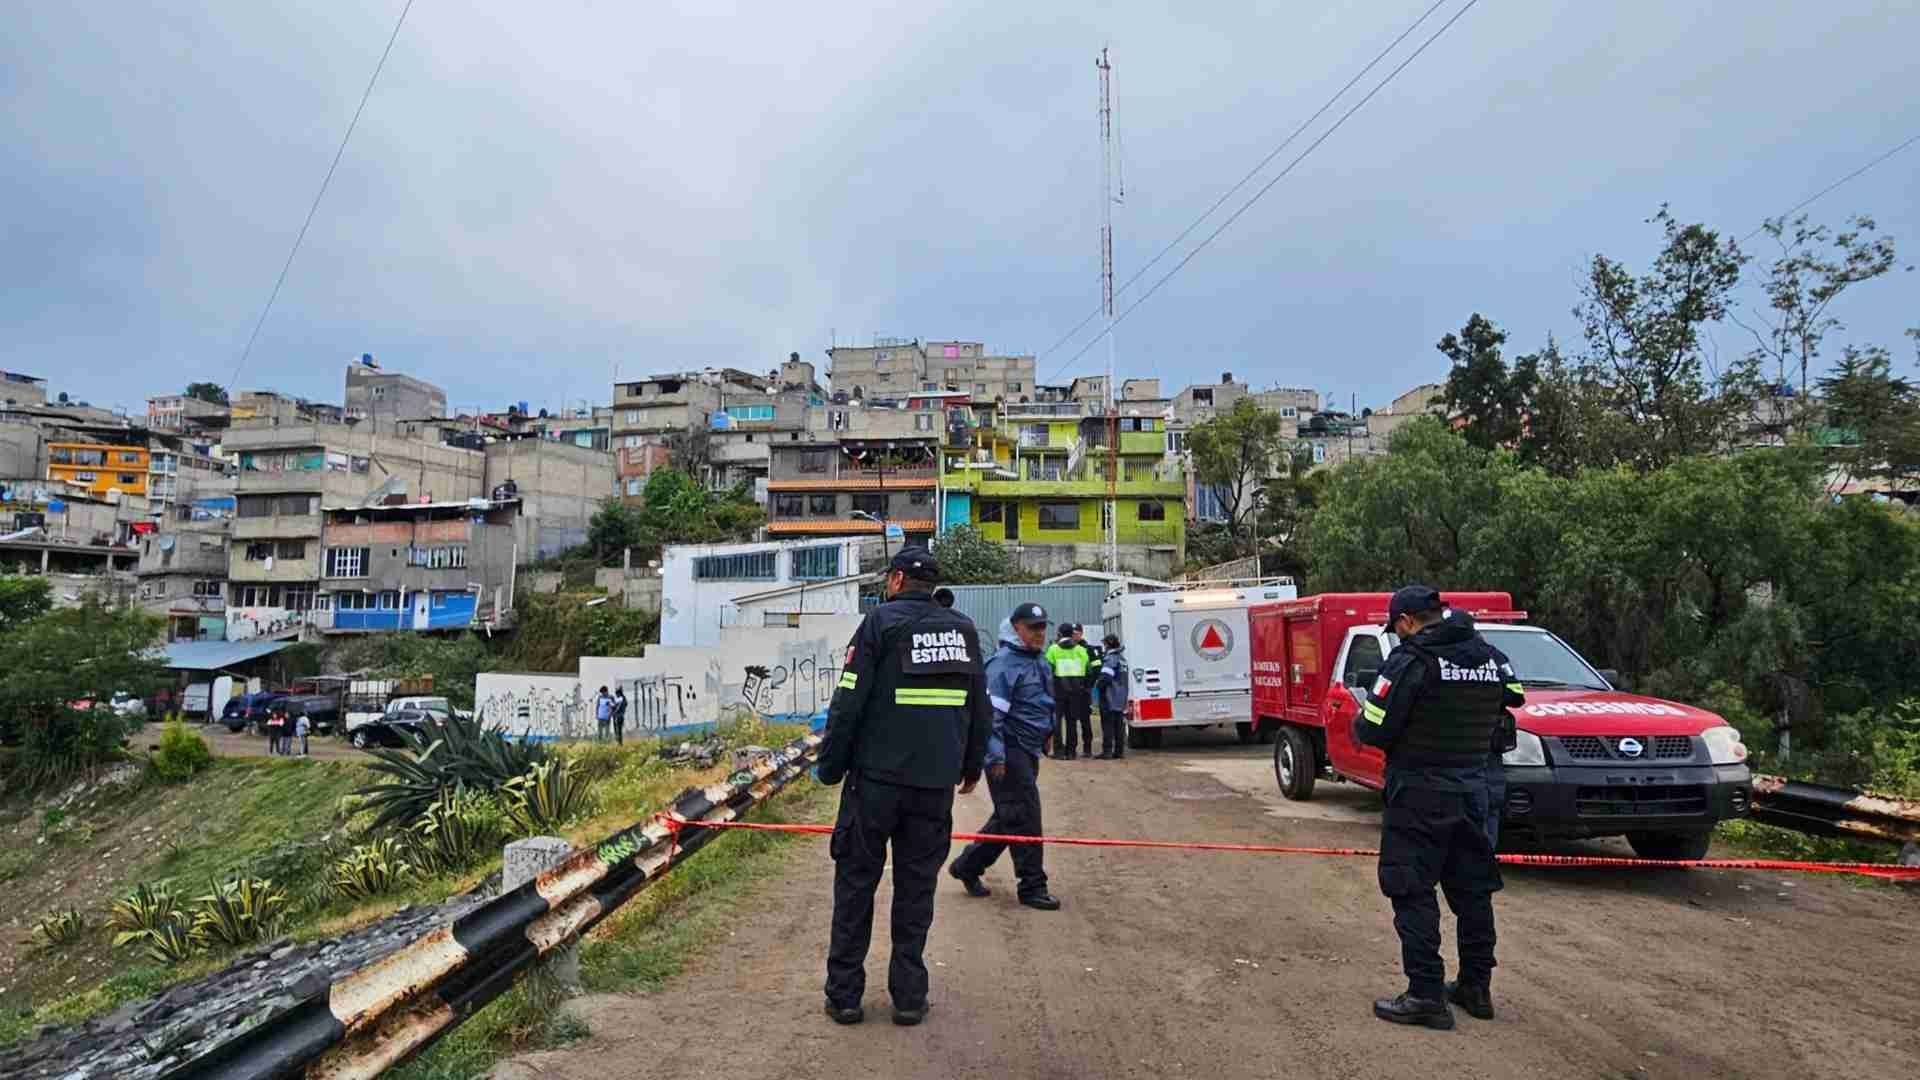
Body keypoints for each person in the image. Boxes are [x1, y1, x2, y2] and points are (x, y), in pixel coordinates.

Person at [817, 548, 991, 1028]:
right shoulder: (963, 630)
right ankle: (909, 998)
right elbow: (979, 705)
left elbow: (848, 700)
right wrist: (971, 765)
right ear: (932, 584)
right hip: (933, 788)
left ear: (896, 579)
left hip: (875, 785)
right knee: (916, 891)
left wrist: (830, 767)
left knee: (856, 887)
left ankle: (846, 996)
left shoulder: (879, 624)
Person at [1355, 586, 1525, 1030]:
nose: (1397, 634)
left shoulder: (1410, 661)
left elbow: (1372, 728)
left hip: (1420, 793)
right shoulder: (1488, 655)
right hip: (1475, 789)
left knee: (1411, 889)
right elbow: (1515, 695)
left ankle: (1426, 995)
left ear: (1408, 620)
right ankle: (1476, 987)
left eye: (1397, 627)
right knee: (1472, 891)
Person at [948, 602, 1062, 910]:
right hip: (1008, 754)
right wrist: (995, 757)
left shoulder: (1036, 660)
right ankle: (1032, 887)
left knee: (1009, 816)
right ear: (1015, 629)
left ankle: (967, 867)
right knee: (1025, 819)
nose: (1039, 633)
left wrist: (1048, 734)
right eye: (1032, 628)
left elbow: (1042, 703)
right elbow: (990, 719)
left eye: (1042, 627)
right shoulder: (1003, 665)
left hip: (1027, 749)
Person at [1044, 624, 1091, 760]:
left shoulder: (1053, 649)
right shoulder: (1081, 650)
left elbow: (1047, 670)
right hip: (1076, 691)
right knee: (1072, 722)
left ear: (1059, 633)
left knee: (1057, 721)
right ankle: (1071, 752)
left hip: (1058, 690)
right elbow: (1089, 671)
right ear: (1072, 634)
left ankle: (1059, 751)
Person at [1094, 632, 1130, 760]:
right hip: (1121, 698)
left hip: (1110, 697)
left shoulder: (1111, 659)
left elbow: (1105, 678)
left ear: (1108, 645)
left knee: (1107, 725)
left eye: (1104, 643)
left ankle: (1107, 751)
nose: (1104, 646)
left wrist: (1098, 685)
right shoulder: (1122, 659)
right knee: (1118, 725)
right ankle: (1119, 751)